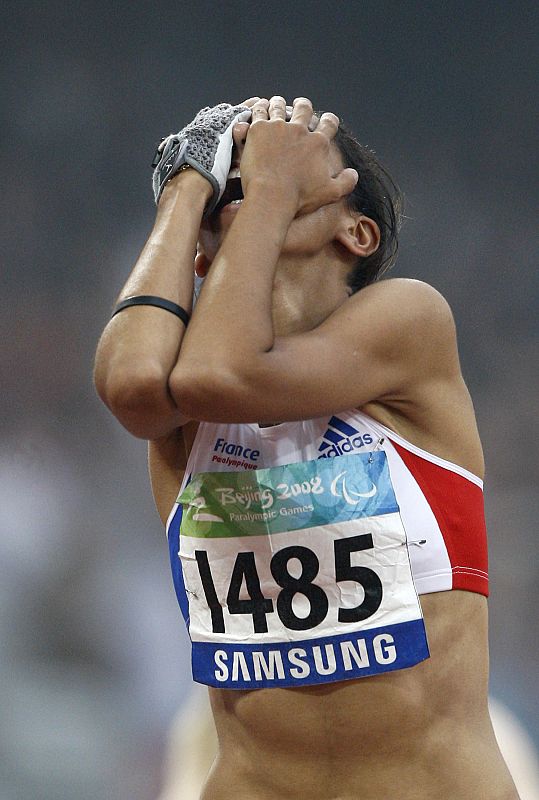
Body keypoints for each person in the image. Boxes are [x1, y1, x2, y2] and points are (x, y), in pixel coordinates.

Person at [94, 96, 519, 799]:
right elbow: (132, 386)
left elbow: (222, 374)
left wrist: (260, 193)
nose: (262, 151)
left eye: (296, 146)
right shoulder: (179, 381)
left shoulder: (407, 322)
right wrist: (185, 188)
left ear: (357, 232)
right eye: (244, 159)